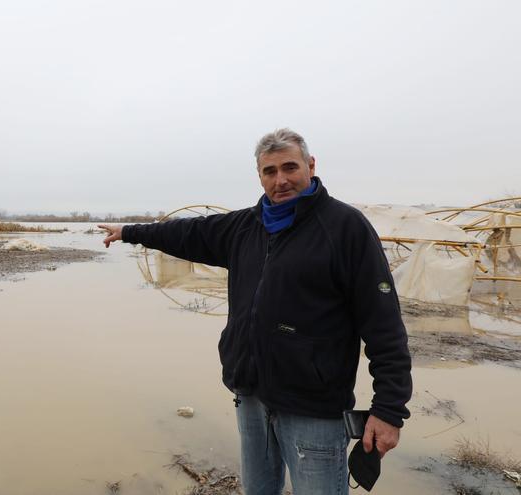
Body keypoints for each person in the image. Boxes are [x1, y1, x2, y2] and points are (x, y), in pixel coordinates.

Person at [98, 129, 412, 495]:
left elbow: (384, 325)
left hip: (313, 408)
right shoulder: (245, 226)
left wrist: (388, 410)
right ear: (260, 176)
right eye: (270, 171)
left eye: (290, 167)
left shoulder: (345, 228)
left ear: (310, 166)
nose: (281, 180)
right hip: (251, 396)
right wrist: (129, 231)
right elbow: (187, 234)